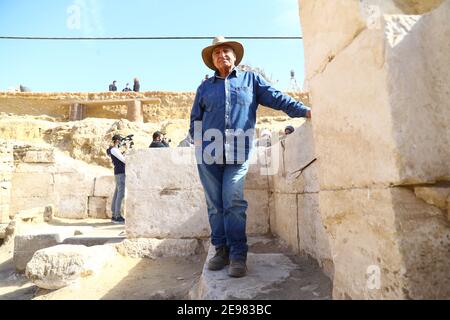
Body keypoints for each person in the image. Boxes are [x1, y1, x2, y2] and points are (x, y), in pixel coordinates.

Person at [189, 36, 311, 278]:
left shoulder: (250, 80)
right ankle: (220, 250)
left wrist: (304, 110)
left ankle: (237, 255)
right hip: (208, 154)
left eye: (226, 51)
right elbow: (195, 119)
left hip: (238, 150)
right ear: (212, 61)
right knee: (215, 205)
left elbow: (277, 98)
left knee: (233, 201)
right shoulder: (204, 87)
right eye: (216, 53)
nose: (221, 55)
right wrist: (200, 143)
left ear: (234, 56)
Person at [106, 134, 127, 223]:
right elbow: (124, 160)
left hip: (119, 173)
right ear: (117, 141)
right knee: (120, 194)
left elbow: (121, 158)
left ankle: (114, 214)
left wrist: (125, 150)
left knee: (117, 194)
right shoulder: (114, 149)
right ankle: (117, 215)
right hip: (120, 173)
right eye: (121, 141)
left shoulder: (115, 150)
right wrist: (127, 149)